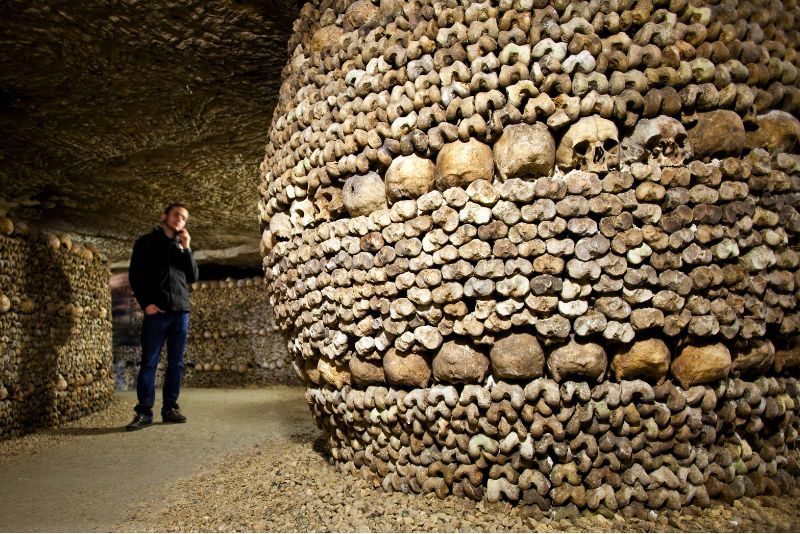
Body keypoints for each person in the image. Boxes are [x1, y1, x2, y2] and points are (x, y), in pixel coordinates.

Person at [126, 203, 199, 431]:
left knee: (176, 364)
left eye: (184, 217)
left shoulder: (180, 246)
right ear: (164, 216)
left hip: (180, 313)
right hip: (157, 314)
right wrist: (145, 304)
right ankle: (144, 412)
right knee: (149, 363)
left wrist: (187, 248)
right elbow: (135, 276)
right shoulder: (146, 243)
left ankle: (170, 409)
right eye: (177, 214)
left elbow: (193, 277)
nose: (180, 219)